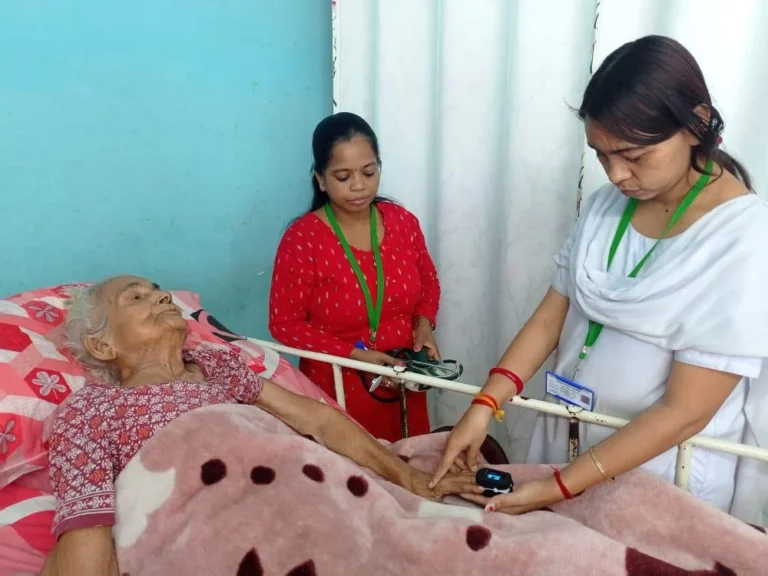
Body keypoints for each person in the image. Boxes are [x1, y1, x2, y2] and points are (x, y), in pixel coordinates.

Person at [432, 35, 768, 518]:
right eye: (601, 155)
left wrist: (559, 488)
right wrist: (484, 406)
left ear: (695, 125)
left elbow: (684, 412)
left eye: (633, 156)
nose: (615, 175)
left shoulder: (744, 238)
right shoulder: (608, 206)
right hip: (567, 439)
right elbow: (551, 317)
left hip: (659, 470)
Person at [41, 276, 479, 575]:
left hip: (305, 490)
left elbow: (316, 420)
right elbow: (87, 531)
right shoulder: (91, 411)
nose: (159, 297)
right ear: (103, 345)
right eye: (135, 298)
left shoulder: (215, 363)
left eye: (157, 291)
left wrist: (407, 478)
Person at [269, 112, 442, 442]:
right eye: (343, 176)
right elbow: (284, 324)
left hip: (402, 377)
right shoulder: (304, 239)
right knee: (352, 479)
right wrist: (358, 357)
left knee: (409, 467)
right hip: (337, 385)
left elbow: (429, 282)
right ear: (321, 179)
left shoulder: (402, 222)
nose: (359, 186)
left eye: (368, 172)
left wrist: (423, 324)